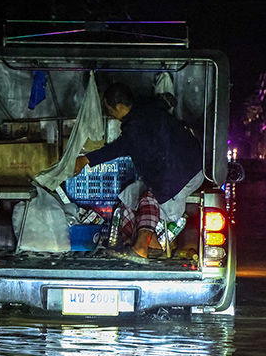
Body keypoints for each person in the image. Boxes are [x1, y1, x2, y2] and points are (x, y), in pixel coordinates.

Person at [74, 82, 204, 261]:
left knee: (149, 198)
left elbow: (119, 147)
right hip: (185, 167)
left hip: (184, 173)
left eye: (109, 109)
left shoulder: (136, 125)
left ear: (119, 107)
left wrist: (85, 160)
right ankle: (151, 245)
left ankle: (141, 246)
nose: (108, 113)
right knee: (129, 196)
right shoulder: (147, 109)